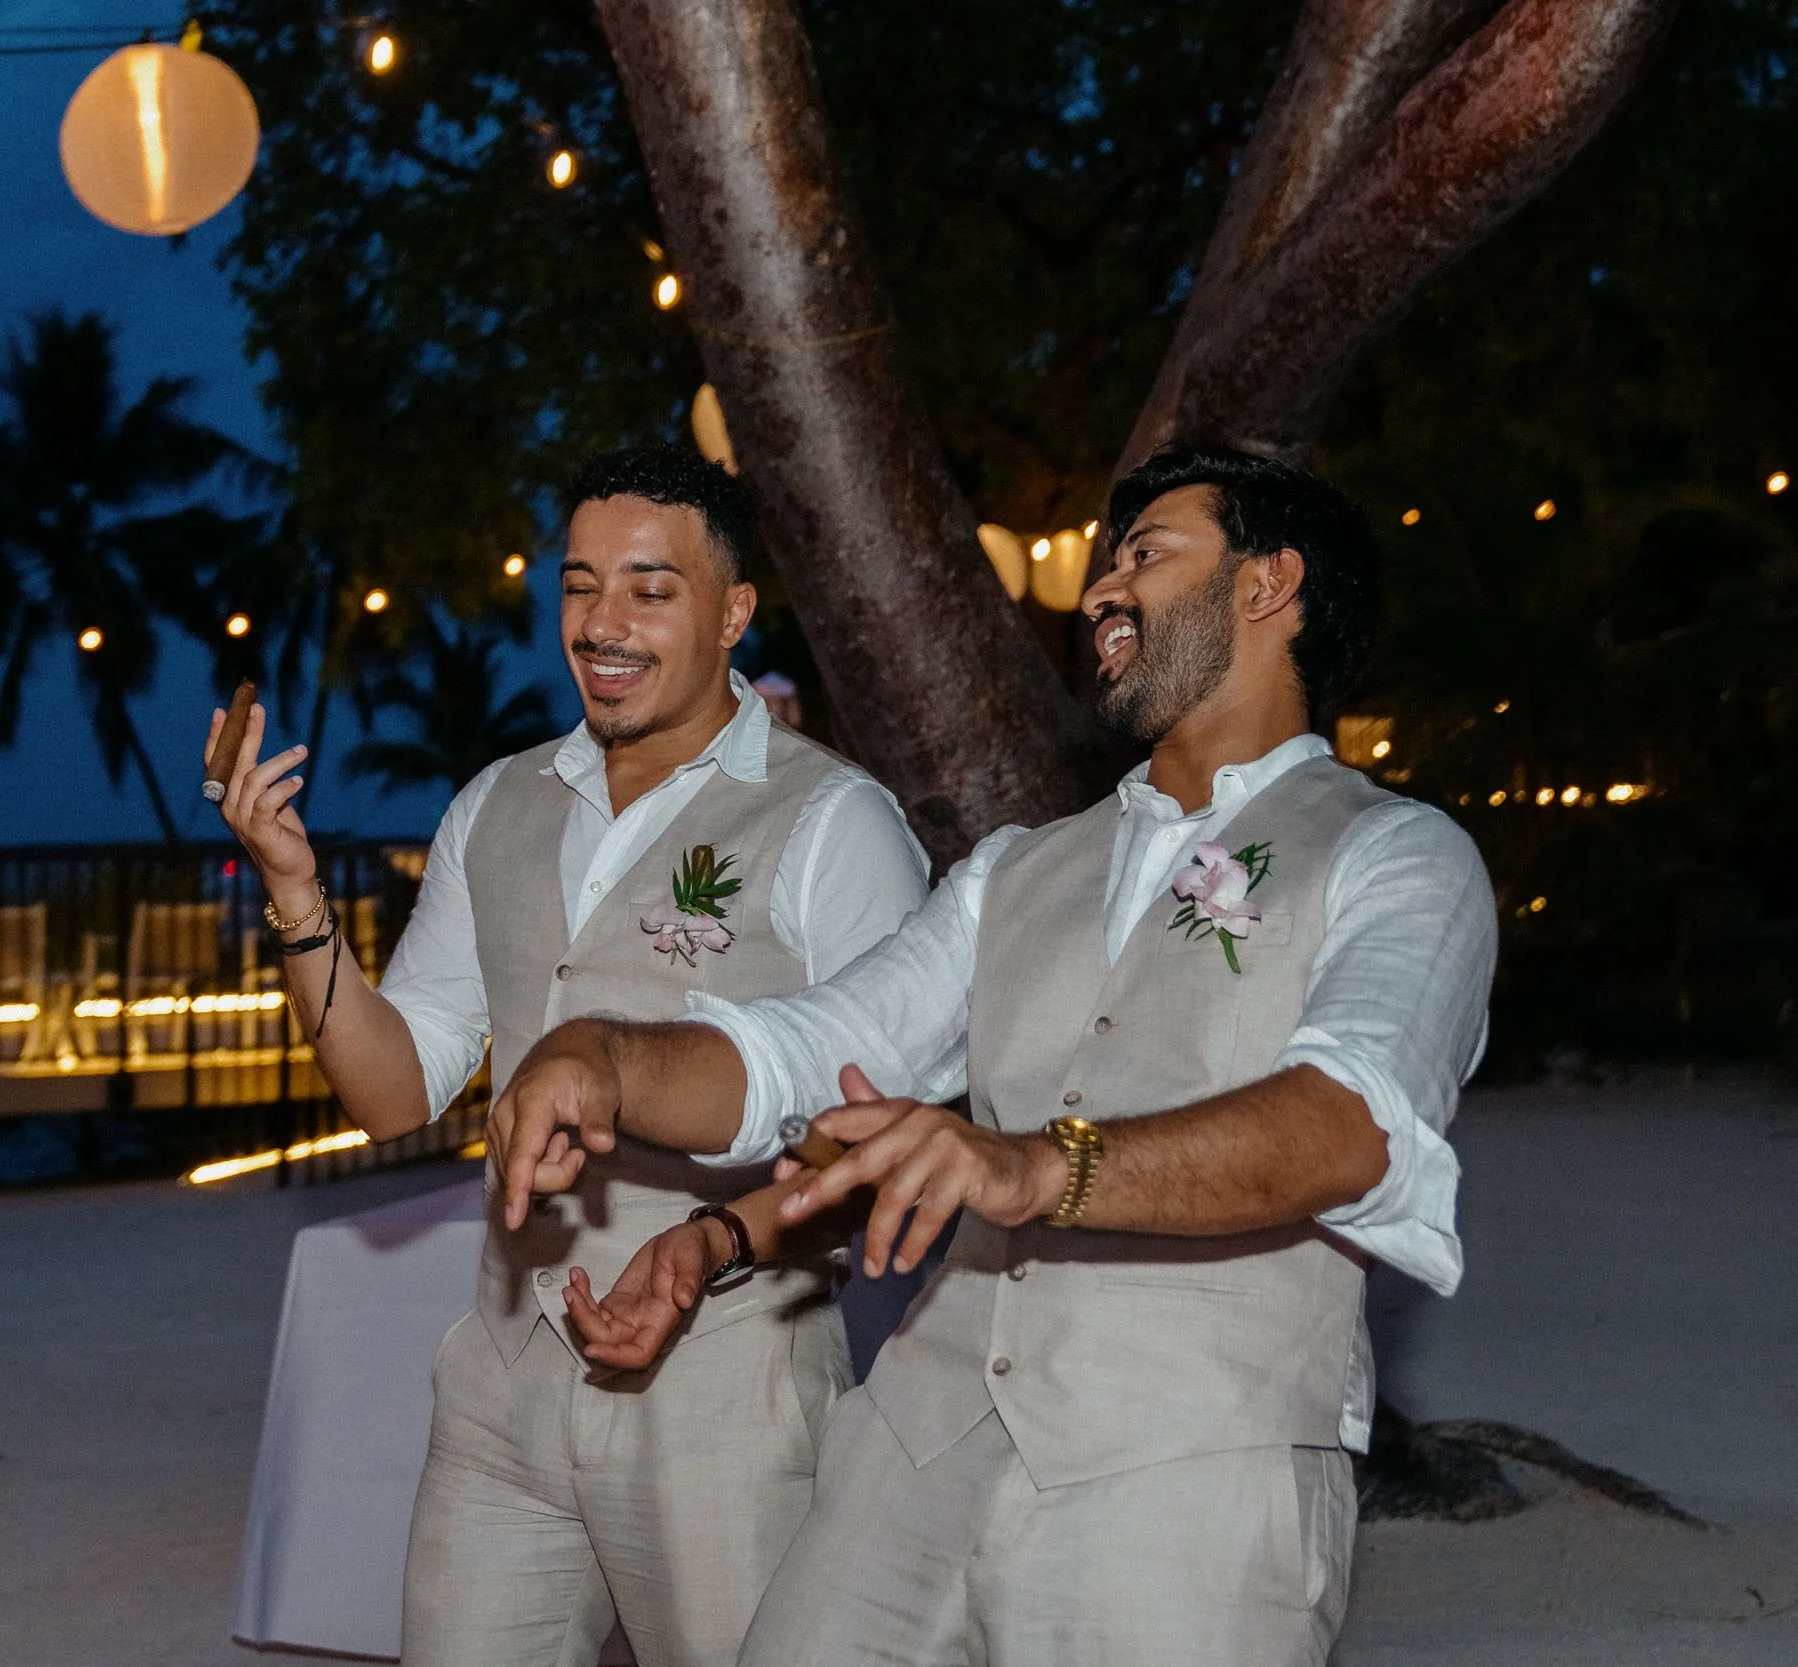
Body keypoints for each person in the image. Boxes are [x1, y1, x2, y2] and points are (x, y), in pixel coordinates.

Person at [497, 446, 1495, 1664]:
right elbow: (820, 1043)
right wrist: (604, 1058)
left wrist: (1032, 1167)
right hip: (914, 1445)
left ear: (1267, 582)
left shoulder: (1401, 856)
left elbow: (1355, 1121)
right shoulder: (1017, 868)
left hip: (1189, 1474)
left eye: (1146, 553)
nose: (1098, 592)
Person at [206, 443, 929, 1667]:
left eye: (650, 588)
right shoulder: (496, 802)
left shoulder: (830, 821)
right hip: (503, 1370)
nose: (602, 622)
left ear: (732, 613)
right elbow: (391, 1091)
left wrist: (712, 1245)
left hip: (726, 1382)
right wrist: (295, 890)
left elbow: (885, 1143)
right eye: (580, 583)